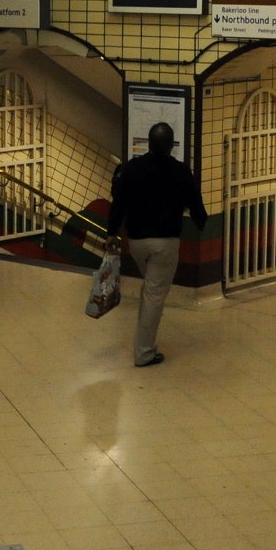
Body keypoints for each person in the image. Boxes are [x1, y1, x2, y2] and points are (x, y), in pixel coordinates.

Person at [106, 122, 209, 368]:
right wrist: (200, 221)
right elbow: (196, 207)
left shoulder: (131, 169)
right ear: (172, 146)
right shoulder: (181, 171)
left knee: (149, 291)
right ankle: (144, 353)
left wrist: (112, 232)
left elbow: (118, 202)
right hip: (165, 243)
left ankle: (145, 343)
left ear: (149, 144)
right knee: (154, 295)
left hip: (137, 242)